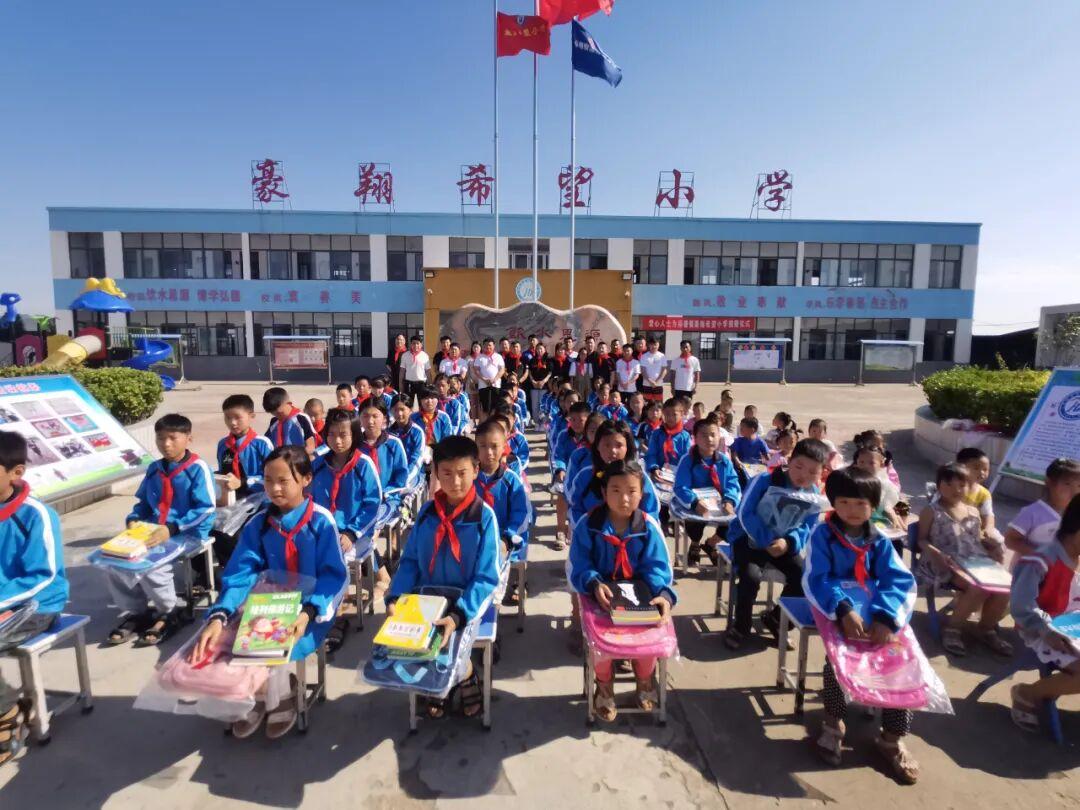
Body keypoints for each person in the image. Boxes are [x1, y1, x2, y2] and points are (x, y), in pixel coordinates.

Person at [189, 447, 347, 739]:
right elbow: (241, 573)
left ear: (306, 479)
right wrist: (221, 613)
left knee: (275, 643)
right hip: (265, 603)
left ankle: (280, 696)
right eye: (268, 480)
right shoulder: (259, 524)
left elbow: (334, 576)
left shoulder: (320, 521)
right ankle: (259, 693)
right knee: (229, 637)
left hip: (309, 610)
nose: (274, 489)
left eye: (283, 481)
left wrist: (309, 611)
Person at [804, 466, 920, 784]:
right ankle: (833, 725)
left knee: (900, 664)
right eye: (844, 502)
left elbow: (898, 579)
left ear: (874, 505)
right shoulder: (822, 535)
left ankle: (892, 738)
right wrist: (842, 609)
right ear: (832, 502)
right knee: (838, 661)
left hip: (876, 611)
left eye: (860, 503)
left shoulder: (878, 539)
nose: (852, 510)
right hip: (834, 608)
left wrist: (885, 616)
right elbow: (817, 578)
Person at [386, 436, 501, 718]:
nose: (455, 482)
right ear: (435, 472)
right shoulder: (428, 513)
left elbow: (486, 577)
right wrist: (396, 596)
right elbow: (411, 561)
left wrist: (458, 615)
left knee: (451, 641)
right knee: (412, 639)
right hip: (428, 596)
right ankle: (440, 681)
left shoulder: (484, 517)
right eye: (446, 473)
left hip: (467, 601)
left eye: (462, 473)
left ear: (476, 470)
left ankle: (465, 674)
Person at [569, 459, 675, 721]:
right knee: (602, 639)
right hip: (599, 595)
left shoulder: (648, 527)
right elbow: (579, 564)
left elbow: (658, 567)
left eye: (631, 491)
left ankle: (645, 679)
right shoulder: (588, 525)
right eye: (615, 491)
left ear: (642, 494)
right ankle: (604, 685)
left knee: (650, 632)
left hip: (640, 594)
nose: (624, 499)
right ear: (603, 492)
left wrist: (662, 595)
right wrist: (594, 583)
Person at [106, 414, 215, 647]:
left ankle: (169, 611)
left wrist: (173, 528)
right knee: (115, 561)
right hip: (153, 530)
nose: (166, 444)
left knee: (153, 564)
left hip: (188, 532)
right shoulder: (154, 469)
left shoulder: (198, 469)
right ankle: (137, 611)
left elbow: (206, 508)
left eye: (173, 438)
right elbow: (143, 504)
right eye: (160, 438)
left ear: (188, 438)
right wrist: (134, 519)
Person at [0, 431, 68, 765]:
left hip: (39, 605)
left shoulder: (36, 515)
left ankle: (8, 711)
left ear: (16, 473)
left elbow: (43, 576)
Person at [725, 438, 829, 650]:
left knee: (803, 576)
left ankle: (776, 619)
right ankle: (741, 626)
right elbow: (744, 513)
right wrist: (765, 539)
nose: (803, 475)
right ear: (789, 461)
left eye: (812, 472)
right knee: (750, 577)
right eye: (799, 466)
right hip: (749, 540)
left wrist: (789, 542)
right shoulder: (764, 480)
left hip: (783, 544)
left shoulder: (813, 494)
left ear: (822, 473)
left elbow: (807, 525)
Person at [915, 462, 1011, 657]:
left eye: (962, 485)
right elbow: (921, 540)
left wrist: (991, 546)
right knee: (978, 588)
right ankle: (952, 629)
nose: (956, 489)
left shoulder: (973, 512)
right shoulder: (931, 511)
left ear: (970, 487)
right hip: (945, 562)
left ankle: (985, 629)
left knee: (1005, 588)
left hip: (975, 561)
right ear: (939, 485)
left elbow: (975, 540)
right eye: (949, 484)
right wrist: (935, 553)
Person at [310, 408, 383, 652]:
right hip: (323, 531)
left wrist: (352, 533)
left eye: (343, 434)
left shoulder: (363, 465)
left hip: (354, 533)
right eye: (331, 434)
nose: (337, 441)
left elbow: (373, 504)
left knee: (334, 560)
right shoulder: (318, 464)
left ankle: (336, 615)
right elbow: (307, 499)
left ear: (354, 435)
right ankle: (310, 606)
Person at [1009, 494, 1080, 733]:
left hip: (1073, 626)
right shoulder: (1039, 559)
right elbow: (1021, 605)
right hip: (1041, 630)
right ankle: (1028, 693)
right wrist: (1045, 630)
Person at [475, 420, 531, 603]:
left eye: (494, 446)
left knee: (493, 585)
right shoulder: (470, 478)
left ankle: (493, 606)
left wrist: (507, 538)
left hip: (504, 540)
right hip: (474, 537)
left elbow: (521, 515)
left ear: (504, 447)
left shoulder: (511, 480)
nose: (489, 452)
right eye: (483, 446)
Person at [673, 415, 741, 566]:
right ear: (695, 438)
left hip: (720, 503)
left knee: (734, 523)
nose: (709, 439)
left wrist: (730, 500)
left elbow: (733, 482)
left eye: (713, 435)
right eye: (704, 435)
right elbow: (680, 487)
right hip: (697, 503)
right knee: (695, 524)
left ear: (719, 437)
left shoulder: (724, 460)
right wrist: (694, 502)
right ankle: (695, 544)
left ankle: (711, 543)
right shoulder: (688, 460)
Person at [569, 420, 662, 526]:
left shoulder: (639, 477)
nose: (613, 450)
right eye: (607, 445)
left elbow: (651, 514)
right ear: (597, 446)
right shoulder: (585, 476)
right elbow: (575, 508)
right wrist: (587, 530)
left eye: (619, 445)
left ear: (627, 447)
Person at [1005, 458, 1080, 555]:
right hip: (1032, 564)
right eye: (1067, 484)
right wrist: (1041, 555)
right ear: (1049, 482)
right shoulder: (1032, 513)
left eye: (1079, 486)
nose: (1075, 491)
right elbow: (1010, 540)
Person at [217, 394, 274, 499]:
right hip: (230, 500)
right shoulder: (223, 445)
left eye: (238, 417)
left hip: (259, 500)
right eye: (228, 418)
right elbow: (222, 473)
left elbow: (273, 477)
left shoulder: (262, 444)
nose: (232, 423)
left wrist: (243, 483)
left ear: (251, 416)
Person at [644, 397, 690, 479]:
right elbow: (651, 454)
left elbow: (688, 459)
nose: (670, 417)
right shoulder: (657, 434)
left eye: (674, 414)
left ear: (682, 414)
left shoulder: (685, 436)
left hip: (679, 475)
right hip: (659, 473)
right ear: (663, 414)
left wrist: (682, 473)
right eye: (667, 414)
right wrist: (654, 468)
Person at [263, 387, 316, 454]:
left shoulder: (301, 419)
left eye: (280, 413)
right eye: (274, 414)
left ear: (288, 403)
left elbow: (311, 446)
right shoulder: (274, 421)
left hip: (298, 458)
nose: (278, 416)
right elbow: (265, 443)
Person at [388, 394, 426, 486]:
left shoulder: (417, 432)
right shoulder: (388, 433)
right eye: (395, 410)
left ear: (410, 410)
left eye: (402, 409)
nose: (399, 413)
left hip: (412, 476)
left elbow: (416, 460)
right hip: (392, 476)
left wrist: (404, 479)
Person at [472, 338, 506, 421]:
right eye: (486, 345)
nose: (488, 347)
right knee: (485, 407)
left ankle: (494, 424)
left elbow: (502, 370)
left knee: (495, 407)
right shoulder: (479, 357)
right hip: (483, 386)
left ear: (494, 346)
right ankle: (485, 424)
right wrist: (484, 379)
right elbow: (476, 370)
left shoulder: (498, 356)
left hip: (496, 385)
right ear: (483, 346)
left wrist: (495, 379)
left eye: (490, 345)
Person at [401, 335, 432, 408]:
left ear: (421, 344)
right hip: (409, 384)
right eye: (413, 343)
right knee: (408, 404)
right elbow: (402, 371)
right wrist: (401, 386)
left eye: (418, 343)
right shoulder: (405, 355)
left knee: (422, 404)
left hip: (421, 384)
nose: (415, 345)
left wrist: (430, 385)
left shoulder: (425, 356)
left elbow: (428, 372)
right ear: (410, 344)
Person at [639, 335, 668, 403]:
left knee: (658, 404)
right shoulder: (644, 356)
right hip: (647, 384)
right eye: (652, 344)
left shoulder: (662, 356)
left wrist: (656, 382)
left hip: (658, 384)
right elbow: (643, 370)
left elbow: (664, 370)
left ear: (658, 345)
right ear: (648, 345)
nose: (654, 346)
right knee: (647, 404)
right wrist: (650, 381)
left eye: (655, 344)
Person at [527, 343, 551, 419]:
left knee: (542, 405)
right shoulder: (532, 360)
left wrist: (543, 381)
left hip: (544, 386)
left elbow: (550, 372)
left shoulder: (548, 360)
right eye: (538, 349)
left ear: (544, 350)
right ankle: (536, 421)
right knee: (535, 405)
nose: (539, 350)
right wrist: (533, 381)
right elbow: (529, 372)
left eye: (541, 349)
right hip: (534, 386)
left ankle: (543, 422)